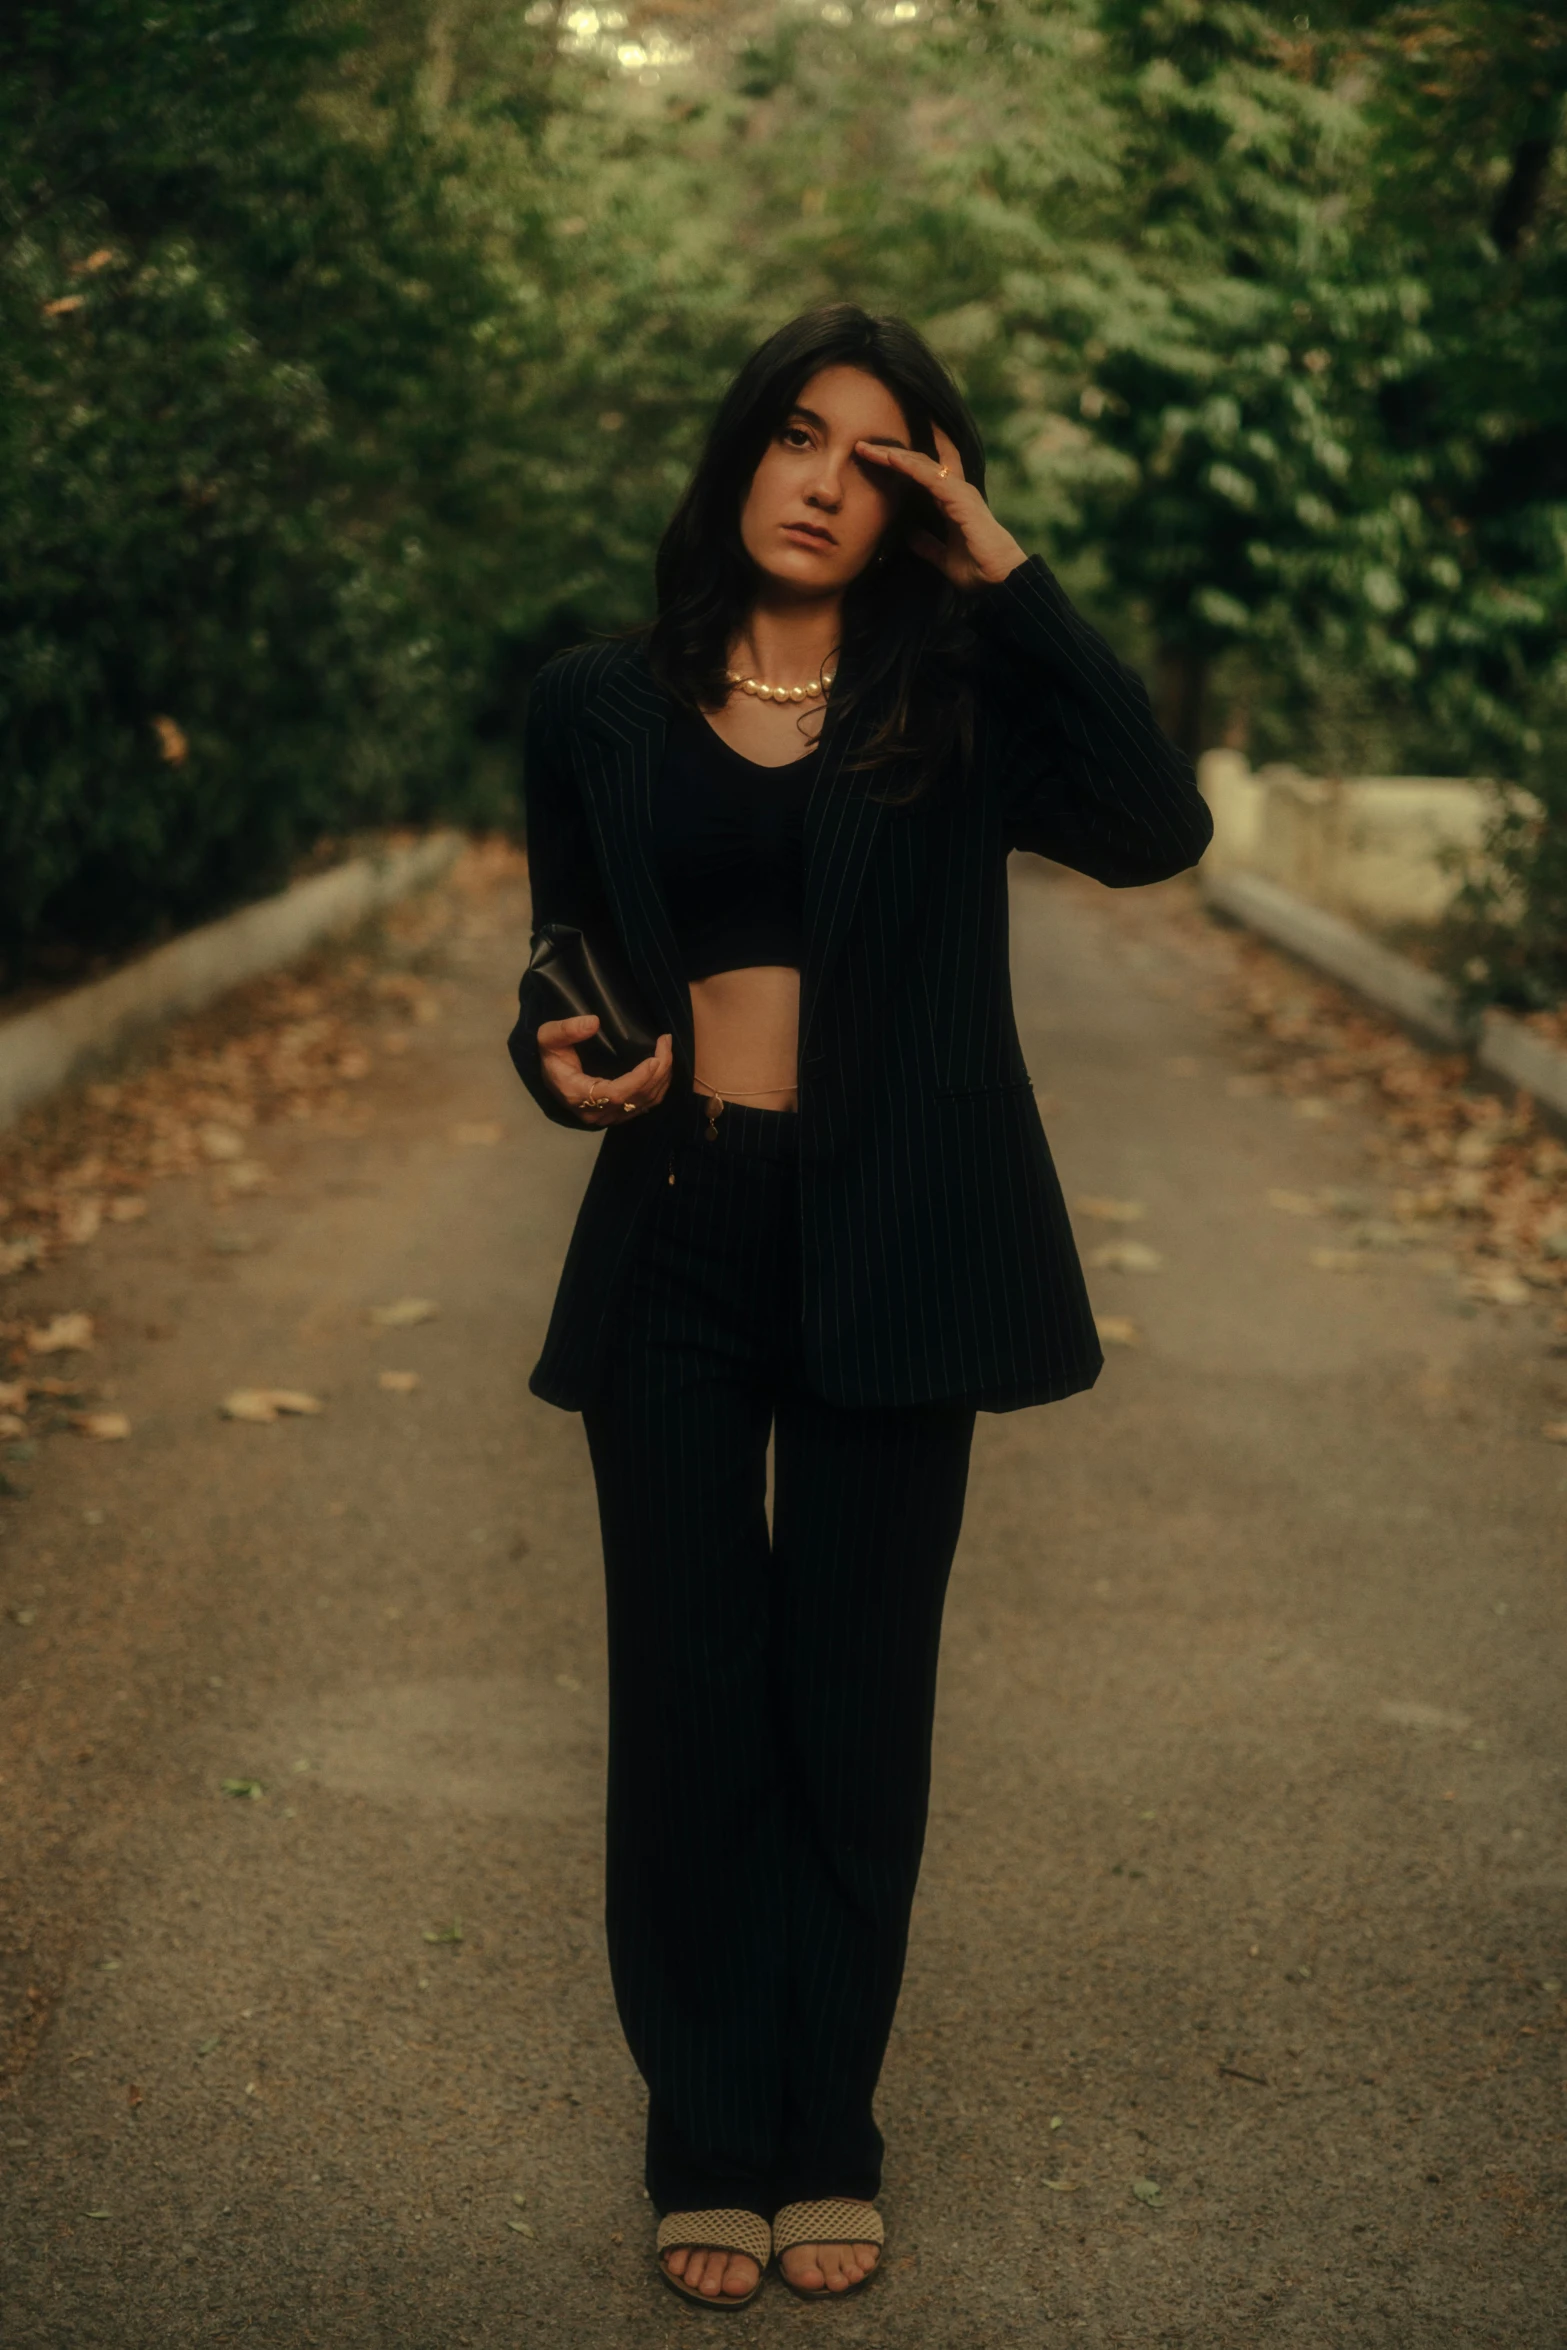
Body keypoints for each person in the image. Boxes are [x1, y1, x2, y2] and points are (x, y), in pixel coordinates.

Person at [508, 303, 1212, 2310]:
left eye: (879, 455)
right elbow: (561, 951)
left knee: (852, 1704)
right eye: (798, 436)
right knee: (690, 1701)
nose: (824, 479)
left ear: (920, 493)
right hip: (674, 1226)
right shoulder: (595, 704)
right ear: (739, 455)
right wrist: (559, 1048)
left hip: (900, 1238)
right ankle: (708, 2139)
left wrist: (1004, 566)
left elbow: (1160, 828)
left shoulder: (959, 705)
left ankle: (831, 2127)